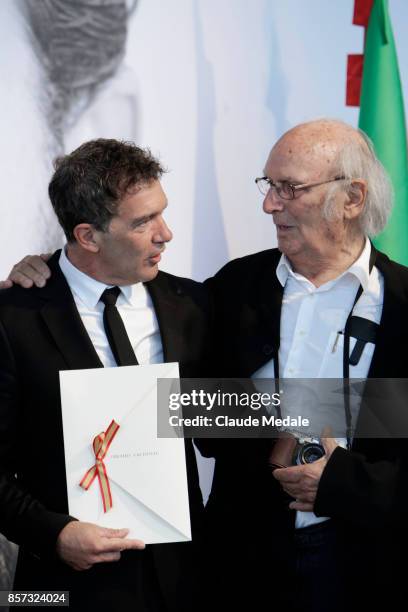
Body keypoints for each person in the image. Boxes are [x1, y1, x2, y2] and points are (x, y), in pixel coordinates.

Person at [6, 119, 408, 610]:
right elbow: (205, 417)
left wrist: (347, 480)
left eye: (289, 187)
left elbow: (200, 409)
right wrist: (46, 273)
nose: (268, 204)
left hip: (368, 568)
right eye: (269, 185)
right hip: (228, 572)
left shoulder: (403, 302)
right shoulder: (228, 291)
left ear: (352, 198)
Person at [0, 139, 211, 611]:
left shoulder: (194, 305)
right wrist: (54, 534)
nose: (166, 234)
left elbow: (214, 423)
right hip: (61, 590)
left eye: (162, 212)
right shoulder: (13, 318)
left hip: (182, 583)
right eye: (143, 222)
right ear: (88, 236)